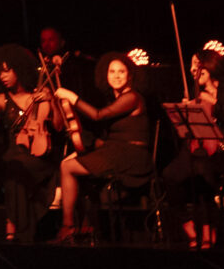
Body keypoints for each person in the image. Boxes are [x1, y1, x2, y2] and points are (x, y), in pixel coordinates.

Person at [0, 48, 60, 242]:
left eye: (7, 71)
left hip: (38, 155)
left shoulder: (40, 95)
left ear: (20, 70)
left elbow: (58, 126)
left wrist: (53, 101)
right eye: (0, 72)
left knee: (15, 168)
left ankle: (15, 224)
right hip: (10, 153)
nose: (2, 76)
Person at [158, 49, 224, 247]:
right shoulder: (197, 94)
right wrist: (187, 112)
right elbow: (188, 134)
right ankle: (189, 225)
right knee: (169, 174)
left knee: (201, 170)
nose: (192, 69)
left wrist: (215, 105)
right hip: (199, 150)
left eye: (197, 65)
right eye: (192, 65)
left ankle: (209, 229)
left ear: (209, 66)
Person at [56, 53, 153, 241]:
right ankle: (87, 226)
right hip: (117, 152)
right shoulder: (116, 100)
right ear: (105, 75)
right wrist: (82, 151)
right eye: (112, 71)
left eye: (121, 71)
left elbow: (98, 115)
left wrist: (72, 97)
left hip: (133, 157)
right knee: (70, 164)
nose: (116, 75)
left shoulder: (131, 97)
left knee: (68, 167)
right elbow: (108, 140)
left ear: (130, 75)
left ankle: (68, 226)